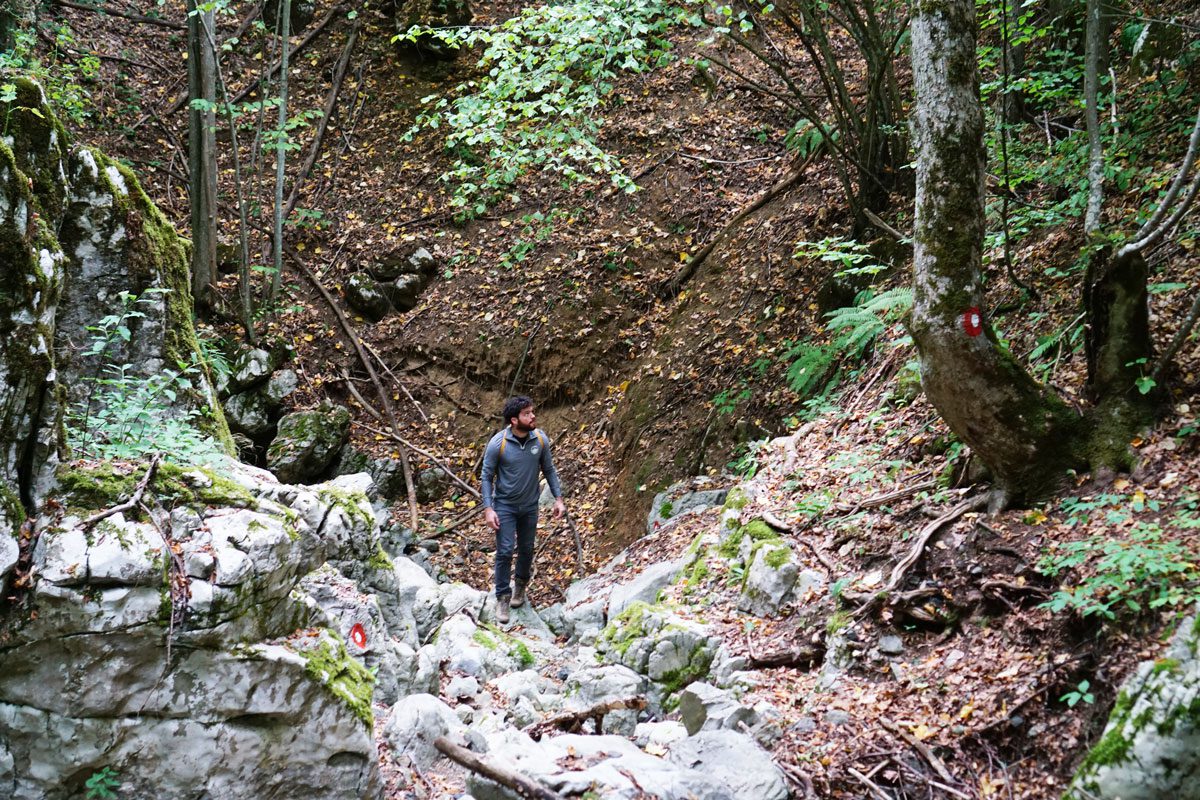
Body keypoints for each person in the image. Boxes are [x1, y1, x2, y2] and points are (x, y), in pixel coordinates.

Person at [480, 396, 566, 623]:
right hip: (504, 506)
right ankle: (502, 597)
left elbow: (549, 469)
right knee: (506, 550)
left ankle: (520, 587)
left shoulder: (540, 439)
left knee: (527, 548)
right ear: (514, 420)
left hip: (530, 506)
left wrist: (558, 499)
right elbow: (486, 477)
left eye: (532, 411)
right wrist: (489, 509)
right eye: (527, 413)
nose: (533, 416)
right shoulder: (499, 444)